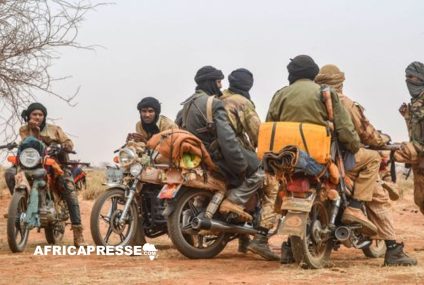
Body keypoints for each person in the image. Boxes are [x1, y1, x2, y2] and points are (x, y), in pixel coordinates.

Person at [315, 64, 416, 266]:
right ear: (340, 83)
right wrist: (383, 139)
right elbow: (366, 134)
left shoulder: (309, 100)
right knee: (378, 195)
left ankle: (290, 247)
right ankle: (391, 247)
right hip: (343, 160)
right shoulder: (345, 103)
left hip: (315, 160)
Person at [176, 66, 278, 260]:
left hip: (200, 156)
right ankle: (256, 231)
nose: (220, 85)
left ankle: (244, 237)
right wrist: (241, 162)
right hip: (222, 155)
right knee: (264, 175)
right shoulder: (228, 103)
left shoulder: (192, 103)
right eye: (217, 81)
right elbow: (239, 137)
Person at [5, 103, 87, 247]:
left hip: (53, 165)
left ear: (44, 116)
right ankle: (19, 207)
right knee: (10, 173)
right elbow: (27, 144)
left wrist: (62, 147)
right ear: (29, 116)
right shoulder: (24, 129)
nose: (37, 117)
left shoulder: (54, 129)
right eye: (34, 114)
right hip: (29, 163)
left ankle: (78, 232)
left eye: (40, 114)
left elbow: (69, 143)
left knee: (68, 187)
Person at [219, 68, 279, 260]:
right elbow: (257, 134)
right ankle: (260, 238)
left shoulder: (218, 98)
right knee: (271, 185)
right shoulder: (242, 102)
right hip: (234, 152)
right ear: (248, 85)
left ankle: (243, 237)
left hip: (217, 154)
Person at [395, 61, 424, 216]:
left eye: (412, 77)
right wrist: (407, 116)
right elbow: (415, 132)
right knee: (420, 200)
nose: (408, 81)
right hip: (419, 161)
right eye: (407, 77)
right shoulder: (415, 103)